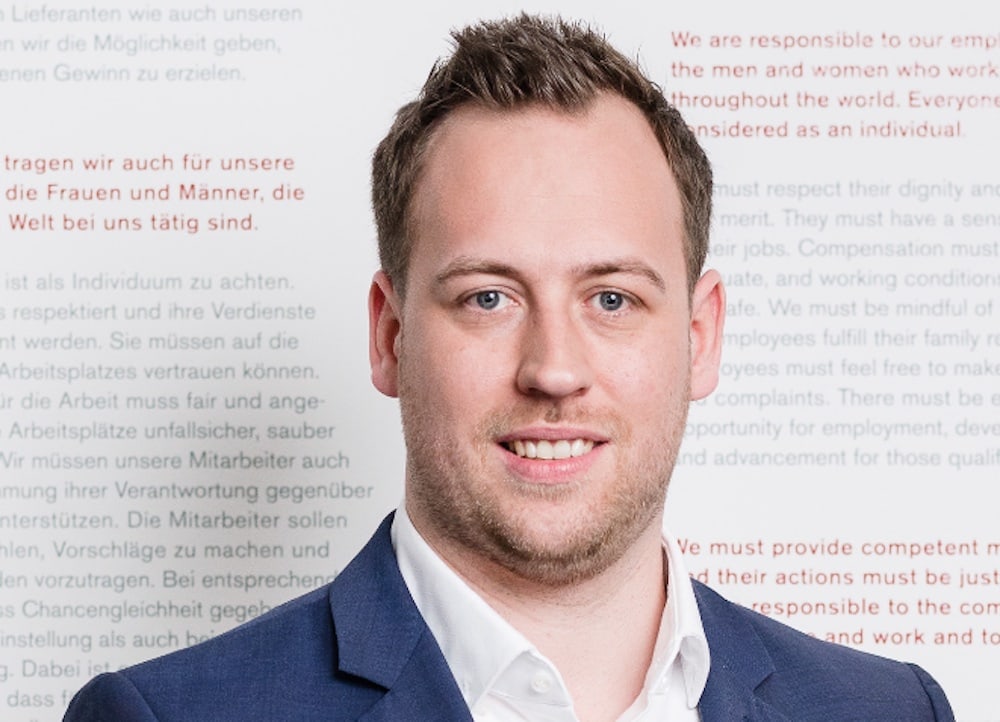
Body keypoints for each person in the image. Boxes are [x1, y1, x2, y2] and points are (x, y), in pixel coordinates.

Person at [64, 14, 954, 722]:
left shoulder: (889, 710)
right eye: (489, 297)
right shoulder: (170, 714)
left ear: (700, 337)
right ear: (390, 336)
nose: (554, 371)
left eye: (612, 299)